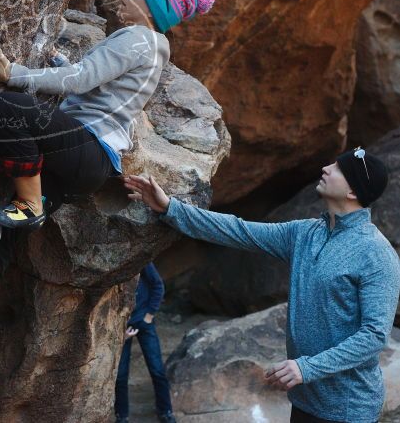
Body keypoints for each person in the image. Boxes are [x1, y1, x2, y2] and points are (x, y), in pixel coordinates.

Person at [0, 0, 216, 371]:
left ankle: (30, 204)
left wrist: (15, 75)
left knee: (9, 107)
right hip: (85, 161)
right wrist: (59, 63)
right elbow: (97, 83)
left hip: (85, 148)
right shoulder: (151, 47)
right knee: (3, 243)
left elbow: (80, 81)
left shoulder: (139, 38)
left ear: (151, 4)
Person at [124, 147, 400, 423]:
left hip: (349, 409)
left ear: (352, 192)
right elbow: (239, 231)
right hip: (305, 401)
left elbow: (374, 336)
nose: (327, 168)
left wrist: (306, 368)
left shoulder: (376, 254)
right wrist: (170, 208)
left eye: (338, 169)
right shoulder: (305, 233)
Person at [115, 262, 176, 423]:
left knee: (157, 370)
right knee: (120, 375)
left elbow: (157, 285)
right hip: (121, 325)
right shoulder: (112, 265)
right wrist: (119, 330)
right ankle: (121, 416)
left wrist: (149, 316)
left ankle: (165, 412)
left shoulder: (141, 259)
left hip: (144, 321)